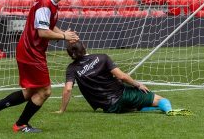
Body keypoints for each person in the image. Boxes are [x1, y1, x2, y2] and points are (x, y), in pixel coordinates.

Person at [0, 0, 79, 133]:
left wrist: (63, 34)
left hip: (31, 50)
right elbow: (42, 32)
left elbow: (47, 26)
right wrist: (63, 35)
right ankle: (20, 123)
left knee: (30, 92)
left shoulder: (51, 4)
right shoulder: (44, 4)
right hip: (31, 52)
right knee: (45, 91)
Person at [56, 41, 191, 116]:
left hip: (108, 107)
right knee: (162, 99)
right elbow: (121, 76)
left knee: (136, 108)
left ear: (70, 54)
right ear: (84, 47)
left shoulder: (71, 68)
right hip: (122, 96)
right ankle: (169, 110)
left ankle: (155, 109)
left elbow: (68, 89)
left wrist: (62, 110)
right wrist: (138, 84)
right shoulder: (102, 57)